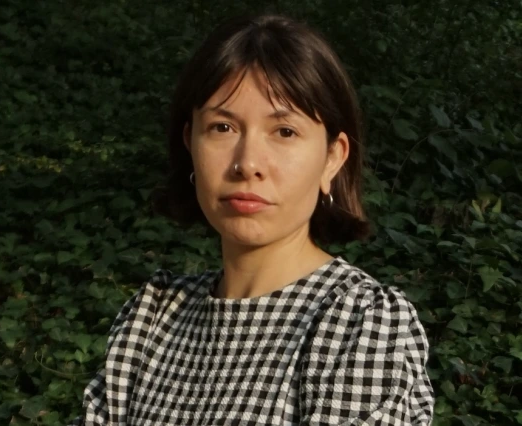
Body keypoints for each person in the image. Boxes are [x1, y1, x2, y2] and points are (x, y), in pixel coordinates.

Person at [71, 14, 434, 425]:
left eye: (284, 132)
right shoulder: (153, 317)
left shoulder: (358, 322)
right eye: (223, 127)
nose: (248, 164)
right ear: (190, 142)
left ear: (332, 157)